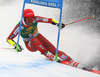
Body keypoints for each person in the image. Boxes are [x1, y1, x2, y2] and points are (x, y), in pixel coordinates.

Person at [7, 9, 84, 69]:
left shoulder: (36, 19)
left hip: (38, 36)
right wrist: (16, 45)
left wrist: (58, 23)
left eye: (31, 19)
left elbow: (50, 20)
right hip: (30, 44)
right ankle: (48, 55)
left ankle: (71, 61)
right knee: (34, 40)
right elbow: (9, 39)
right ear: (24, 18)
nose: (31, 21)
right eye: (28, 20)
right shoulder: (20, 26)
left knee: (54, 50)